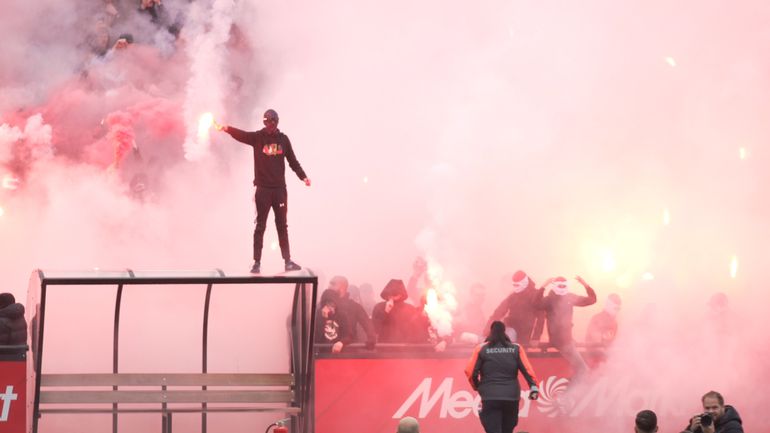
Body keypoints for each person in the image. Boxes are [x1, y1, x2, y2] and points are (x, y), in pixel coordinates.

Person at [215, 109, 310, 273]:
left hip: (279, 190)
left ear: (277, 122)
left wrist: (303, 177)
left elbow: (293, 161)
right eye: (267, 122)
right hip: (263, 190)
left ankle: (287, 261)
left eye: (272, 122)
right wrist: (226, 128)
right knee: (260, 226)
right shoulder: (258, 137)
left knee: (282, 226)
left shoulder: (284, 140)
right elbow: (242, 135)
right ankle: (256, 262)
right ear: (264, 122)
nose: (270, 125)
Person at [465, 321, 539, 433]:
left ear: (491, 332)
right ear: (505, 332)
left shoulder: (481, 349)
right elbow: (527, 370)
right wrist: (534, 387)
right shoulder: (516, 348)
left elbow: (470, 372)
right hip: (511, 398)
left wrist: (477, 386)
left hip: (490, 397)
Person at [535, 275, 596, 379]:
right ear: (554, 286)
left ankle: (573, 391)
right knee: (584, 370)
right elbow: (536, 303)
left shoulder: (569, 297)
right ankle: (571, 393)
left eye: (564, 286)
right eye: (560, 286)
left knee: (580, 369)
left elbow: (592, 300)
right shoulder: (550, 299)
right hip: (561, 341)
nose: (562, 288)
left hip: (567, 339)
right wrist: (544, 286)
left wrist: (585, 284)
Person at [486, 270, 545, 346]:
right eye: (514, 285)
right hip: (508, 332)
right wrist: (487, 331)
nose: (515, 287)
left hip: (524, 336)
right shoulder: (513, 296)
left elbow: (541, 318)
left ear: (524, 283)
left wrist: (536, 337)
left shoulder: (536, 296)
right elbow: (498, 313)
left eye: (517, 285)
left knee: (518, 355)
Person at [327, 275, 377, 349]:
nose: (329, 288)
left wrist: (371, 342)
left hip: (350, 352)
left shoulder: (354, 307)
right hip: (325, 352)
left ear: (342, 288)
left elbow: (369, 327)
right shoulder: (322, 306)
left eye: (332, 285)